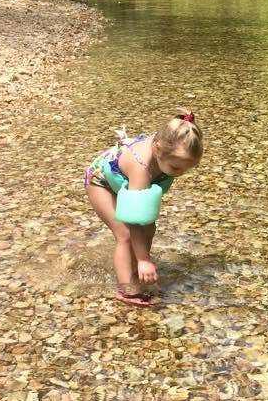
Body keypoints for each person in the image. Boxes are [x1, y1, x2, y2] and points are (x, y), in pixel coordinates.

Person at [85, 109, 203, 306]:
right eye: (176, 168)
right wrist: (144, 259)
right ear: (157, 149)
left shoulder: (167, 144)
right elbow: (134, 219)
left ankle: (135, 272)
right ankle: (128, 290)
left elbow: (143, 218)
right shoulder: (141, 168)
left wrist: (141, 258)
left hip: (127, 184)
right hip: (102, 183)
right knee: (125, 234)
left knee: (149, 228)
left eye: (187, 169)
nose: (180, 174)